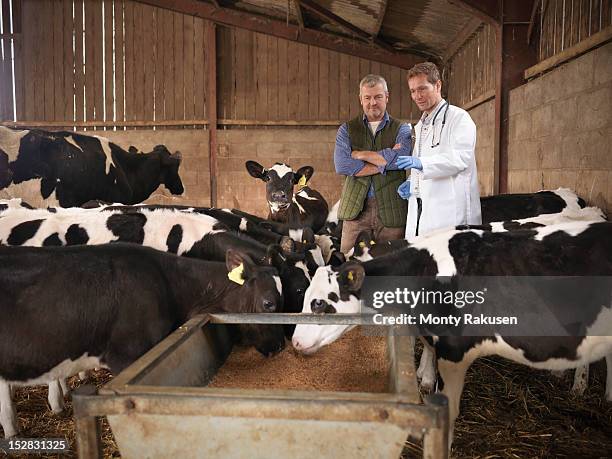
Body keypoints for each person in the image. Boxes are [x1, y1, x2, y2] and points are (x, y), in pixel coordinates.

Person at [396, 62, 481, 240]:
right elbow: (424, 163)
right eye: (412, 91)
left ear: (438, 85)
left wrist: (421, 163)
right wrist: (413, 182)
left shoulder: (459, 118)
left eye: (422, 89)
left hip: (451, 212)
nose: (417, 96)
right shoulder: (421, 125)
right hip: (424, 209)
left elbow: (460, 159)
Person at [334, 74, 412, 254]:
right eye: (367, 98)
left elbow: (402, 159)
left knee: (391, 265)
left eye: (378, 97)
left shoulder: (402, 128)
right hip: (356, 210)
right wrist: (385, 163)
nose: (373, 103)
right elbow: (343, 166)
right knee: (349, 262)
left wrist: (360, 155)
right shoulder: (347, 129)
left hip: (392, 209)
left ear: (387, 97)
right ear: (360, 99)